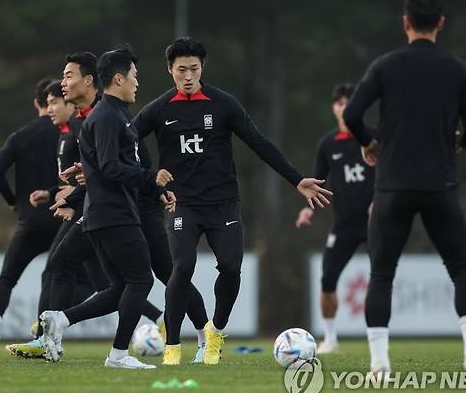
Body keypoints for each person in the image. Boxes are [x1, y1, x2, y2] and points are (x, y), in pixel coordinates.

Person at [134, 37, 333, 365]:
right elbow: (125, 140)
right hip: (184, 204)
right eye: (181, 69)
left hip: (224, 203)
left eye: (194, 69)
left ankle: (215, 334)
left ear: (202, 69)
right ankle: (172, 348)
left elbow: (259, 142)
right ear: (169, 70)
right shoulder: (157, 110)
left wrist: (297, 180)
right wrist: (151, 182)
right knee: (181, 268)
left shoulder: (223, 104)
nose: (188, 76)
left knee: (230, 267)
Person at [343, 0, 466, 376]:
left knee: (382, 274)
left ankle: (379, 364)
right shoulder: (457, 70)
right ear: (441, 23)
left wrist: (370, 144)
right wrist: (452, 144)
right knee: (460, 270)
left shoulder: (386, 66)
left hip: (393, 187)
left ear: (405, 23)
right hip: (440, 185)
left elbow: (354, 113)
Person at [40, 45, 176, 369]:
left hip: (105, 213)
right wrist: (151, 177)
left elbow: (100, 166)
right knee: (141, 280)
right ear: (118, 78)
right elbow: (110, 167)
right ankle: (117, 355)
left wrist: (153, 188)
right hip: (113, 213)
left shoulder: (113, 115)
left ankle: (61, 320)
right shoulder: (108, 115)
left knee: (120, 287)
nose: (137, 83)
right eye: (134, 76)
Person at [0, 78, 62, 358]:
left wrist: (13, 201)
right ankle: (149, 320)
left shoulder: (21, 136)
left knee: (7, 278)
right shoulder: (65, 133)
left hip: (29, 222)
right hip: (61, 218)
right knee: (70, 276)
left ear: (35, 102)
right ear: (48, 102)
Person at [295, 83, 374, 354]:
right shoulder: (327, 144)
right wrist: (308, 209)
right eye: (339, 103)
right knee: (327, 279)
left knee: (381, 279)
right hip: (344, 225)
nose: (343, 107)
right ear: (334, 108)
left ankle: (377, 336)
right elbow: (317, 184)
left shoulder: (373, 138)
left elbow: (392, 173)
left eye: (348, 102)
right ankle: (330, 338)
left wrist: (383, 202)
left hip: (377, 223)